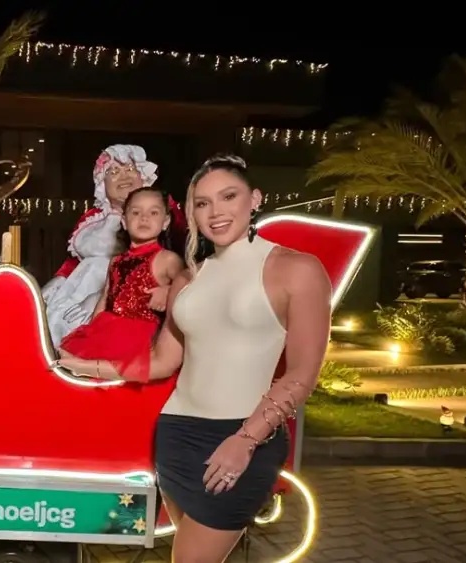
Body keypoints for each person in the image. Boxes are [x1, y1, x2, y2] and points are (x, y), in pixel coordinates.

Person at [74, 155, 331, 562]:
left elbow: (302, 374)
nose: (215, 212)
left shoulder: (296, 269)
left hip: (244, 435)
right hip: (176, 435)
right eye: (202, 203)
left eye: (229, 197)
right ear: (191, 212)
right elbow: (162, 361)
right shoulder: (189, 278)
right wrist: (81, 366)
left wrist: (245, 440)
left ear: (255, 199)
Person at [41, 145, 177, 347]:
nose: (123, 176)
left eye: (130, 169)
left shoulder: (161, 219)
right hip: (77, 290)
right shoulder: (93, 218)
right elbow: (75, 260)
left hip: (125, 300)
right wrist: (58, 281)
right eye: (113, 172)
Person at [50, 187, 185, 378]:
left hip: (140, 338)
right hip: (105, 331)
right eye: (136, 212)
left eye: (153, 213)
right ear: (124, 221)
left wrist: (169, 290)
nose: (144, 218)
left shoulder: (167, 259)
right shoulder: (116, 261)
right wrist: (91, 329)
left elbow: (190, 291)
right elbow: (106, 298)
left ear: (165, 222)